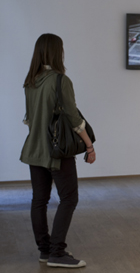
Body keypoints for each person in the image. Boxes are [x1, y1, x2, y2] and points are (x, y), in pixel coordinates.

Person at [21, 34, 96, 268]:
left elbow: (30, 120)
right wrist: (90, 145)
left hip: (34, 149)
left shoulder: (30, 81)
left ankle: (45, 250)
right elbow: (74, 119)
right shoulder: (60, 80)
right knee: (69, 198)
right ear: (57, 52)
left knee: (39, 200)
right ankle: (57, 252)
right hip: (56, 152)